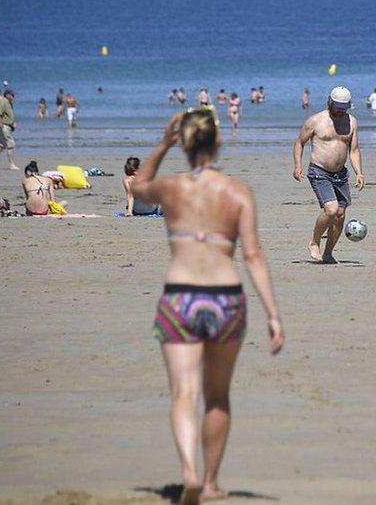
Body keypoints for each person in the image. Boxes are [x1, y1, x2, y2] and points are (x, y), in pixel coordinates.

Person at [129, 107, 284, 504]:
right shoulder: (237, 192)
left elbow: (138, 184)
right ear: (218, 142)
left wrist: (164, 143)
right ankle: (212, 483)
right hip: (226, 299)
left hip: (180, 295)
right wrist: (273, 314)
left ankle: (189, 474)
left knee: (184, 392)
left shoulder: (171, 188)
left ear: (185, 143)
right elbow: (253, 256)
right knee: (217, 397)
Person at [292, 86, 365, 264]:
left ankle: (328, 253)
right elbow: (299, 143)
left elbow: (353, 151)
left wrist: (359, 173)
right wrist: (297, 165)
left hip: (340, 174)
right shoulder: (316, 121)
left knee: (340, 215)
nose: (340, 111)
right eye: (338, 107)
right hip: (319, 171)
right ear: (330, 102)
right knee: (331, 210)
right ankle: (314, 242)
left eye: (344, 107)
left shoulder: (352, 122)